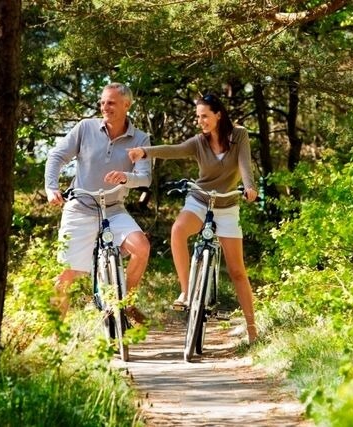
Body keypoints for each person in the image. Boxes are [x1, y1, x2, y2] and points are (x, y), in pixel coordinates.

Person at [128, 93, 258, 343]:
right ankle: (187, 291)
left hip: (228, 205)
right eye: (198, 117)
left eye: (205, 116)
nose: (201, 121)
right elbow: (174, 150)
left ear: (218, 114)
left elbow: (245, 165)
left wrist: (250, 187)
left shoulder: (239, 135)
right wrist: (144, 152)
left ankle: (253, 331)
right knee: (177, 230)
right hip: (200, 200)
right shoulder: (199, 142)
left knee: (237, 271)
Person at [45, 82, 151, 323]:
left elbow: (145, 177)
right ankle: (54, 335)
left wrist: (127, 177)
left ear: (127, 105)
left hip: (113, 210)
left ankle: (126, 303)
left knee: (142, 248)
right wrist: (51, 187)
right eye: (102, 102)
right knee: (68, 274)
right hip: (80, 207)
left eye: (111, 102)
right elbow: (57, 156)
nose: (105, 107)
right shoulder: (86, 128)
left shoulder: (141, 138)